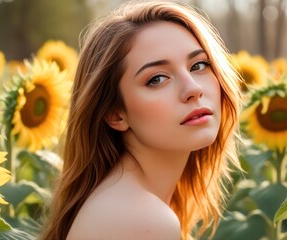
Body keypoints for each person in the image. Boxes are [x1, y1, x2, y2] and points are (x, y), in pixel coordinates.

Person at [40, 1, 242, 239]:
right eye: (156, 79)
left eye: (198, 65)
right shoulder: (142, 219)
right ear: (115, 114)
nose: (193, 88)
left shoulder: (120, 203)